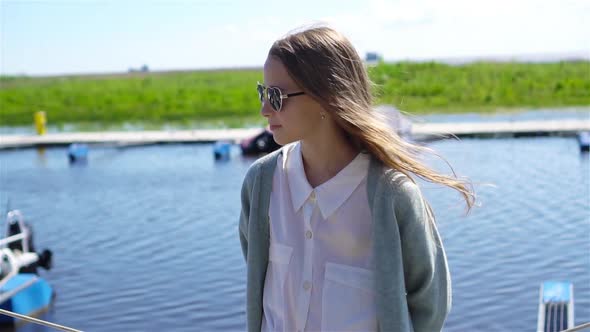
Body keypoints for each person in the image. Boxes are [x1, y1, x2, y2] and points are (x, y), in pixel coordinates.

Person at [239, 25, 475, 332]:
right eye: (262, 92)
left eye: (276, 96)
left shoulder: (391, 195)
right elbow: (255, 264)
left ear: (326, 97)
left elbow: (430, 303)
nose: (264, 109)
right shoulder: (260, 184)